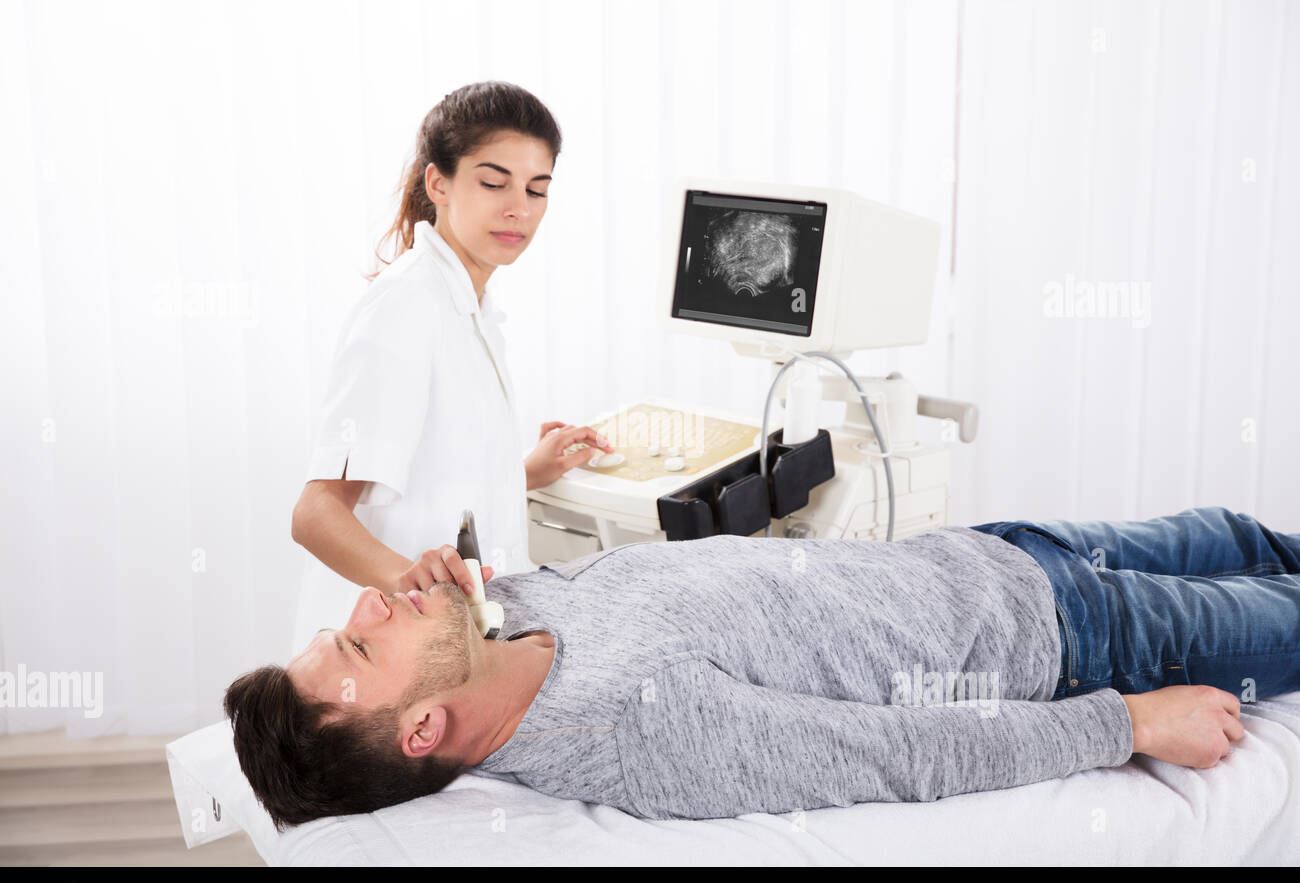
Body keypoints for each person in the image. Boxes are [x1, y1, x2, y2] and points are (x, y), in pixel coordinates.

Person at [227, 505, 1300, 828]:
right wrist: (1129, 722)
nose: (369, 600)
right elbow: (904, 752)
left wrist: (449, 590)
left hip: (997, 549)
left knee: (1244, 526)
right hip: (1075, 636)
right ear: (420, 733)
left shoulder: (505, 617)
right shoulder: (640, 732)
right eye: (361, 642)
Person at [290, 80, 611, 655]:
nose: (519, 208)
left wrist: (524, 472)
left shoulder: (472, 306)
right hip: (391, 655)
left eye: (537, 190)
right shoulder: (406, 306)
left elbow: (434, 469)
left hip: (459, 639)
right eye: (493, 182)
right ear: (438, 182)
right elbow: (315, 514)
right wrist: (414, 585)